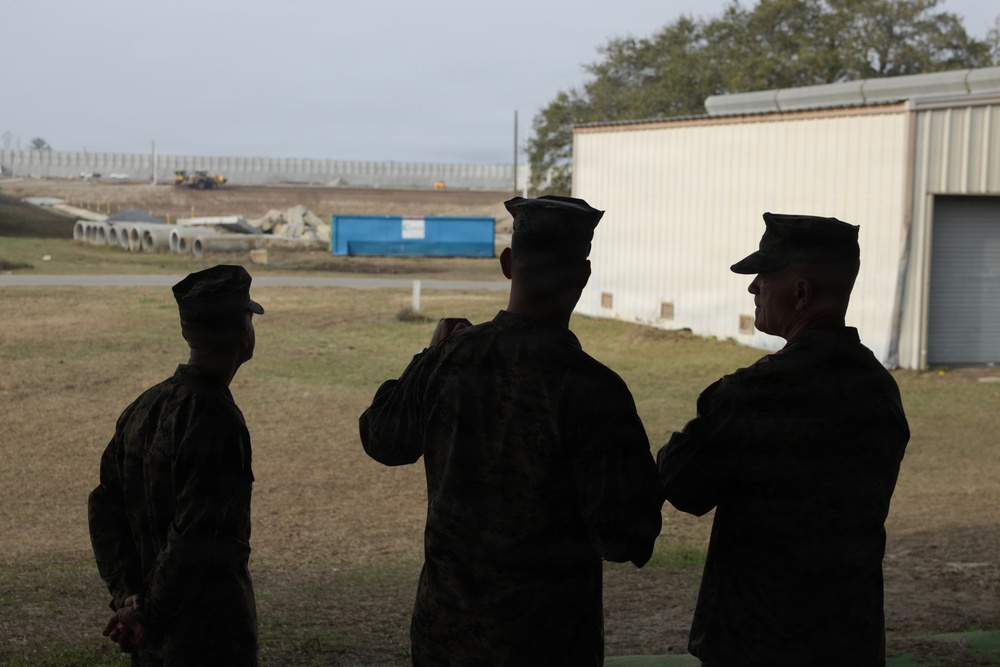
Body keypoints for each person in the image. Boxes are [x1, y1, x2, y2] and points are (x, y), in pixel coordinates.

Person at [359, 195, 664, 667]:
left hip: (444, 637)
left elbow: (381, 438)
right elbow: (627, 536)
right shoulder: (595, 390)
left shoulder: (448, 360)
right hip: (548, 643)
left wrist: (428, 355)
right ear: (582, 276)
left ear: (507, 264)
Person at [657, 213, 910, 667]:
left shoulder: (755, 393)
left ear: (800, 293)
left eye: (764, 277)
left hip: (755, 639)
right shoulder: (879, 388)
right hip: (850, 637)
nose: (753, 288)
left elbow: (683, 486)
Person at [88, 264, 263, 666]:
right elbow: (197, 535)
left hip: (152, 640)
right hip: (208, 636)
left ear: (187, 333)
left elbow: (104, 508)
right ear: (243, 334)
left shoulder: (144, 407)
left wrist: (128, 595)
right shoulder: (216, 419)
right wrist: (147, 610)